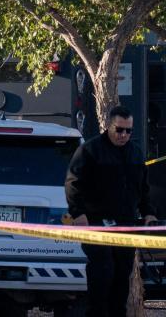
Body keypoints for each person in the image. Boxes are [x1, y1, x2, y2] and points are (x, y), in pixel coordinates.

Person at [65, 105, 157, 316]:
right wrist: (78, 213)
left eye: (128, 131)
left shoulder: (135, 153)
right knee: (102, 273)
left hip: (125, 225)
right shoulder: (90, 150)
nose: (124, 135)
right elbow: (73, 183)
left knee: (121, 277)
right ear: (109, 126)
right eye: (119, 129)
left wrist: (149, 212)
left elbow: (142, 189)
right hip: (97, 224)